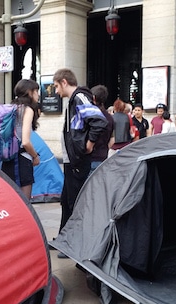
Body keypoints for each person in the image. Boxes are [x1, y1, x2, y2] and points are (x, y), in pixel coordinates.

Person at [53, 68, 107, 245]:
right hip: (73, 160)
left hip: (77, 160)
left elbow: (99, 120)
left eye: (56, 86)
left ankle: (73, 242)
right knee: (67, 201)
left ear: (64, 82)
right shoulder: (75, 99)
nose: (55, 91)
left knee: (75, 202)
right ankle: (64, 238)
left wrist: (89, 144)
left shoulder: (79, 97)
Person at [2, 79, 41, 199]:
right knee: (25, 202)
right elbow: (25, 141)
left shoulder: (9, 107)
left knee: (12, 200)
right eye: (36, 91)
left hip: (7, 159)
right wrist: (35, 156)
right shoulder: (27, 109)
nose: (38, 95)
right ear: (29, 92)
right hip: (21, 160)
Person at [90, 85, 114, 174]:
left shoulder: (90, 116)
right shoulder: (110, 118)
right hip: (103, 157)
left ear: (94, 98)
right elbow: (112, 141)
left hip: (91, 158)